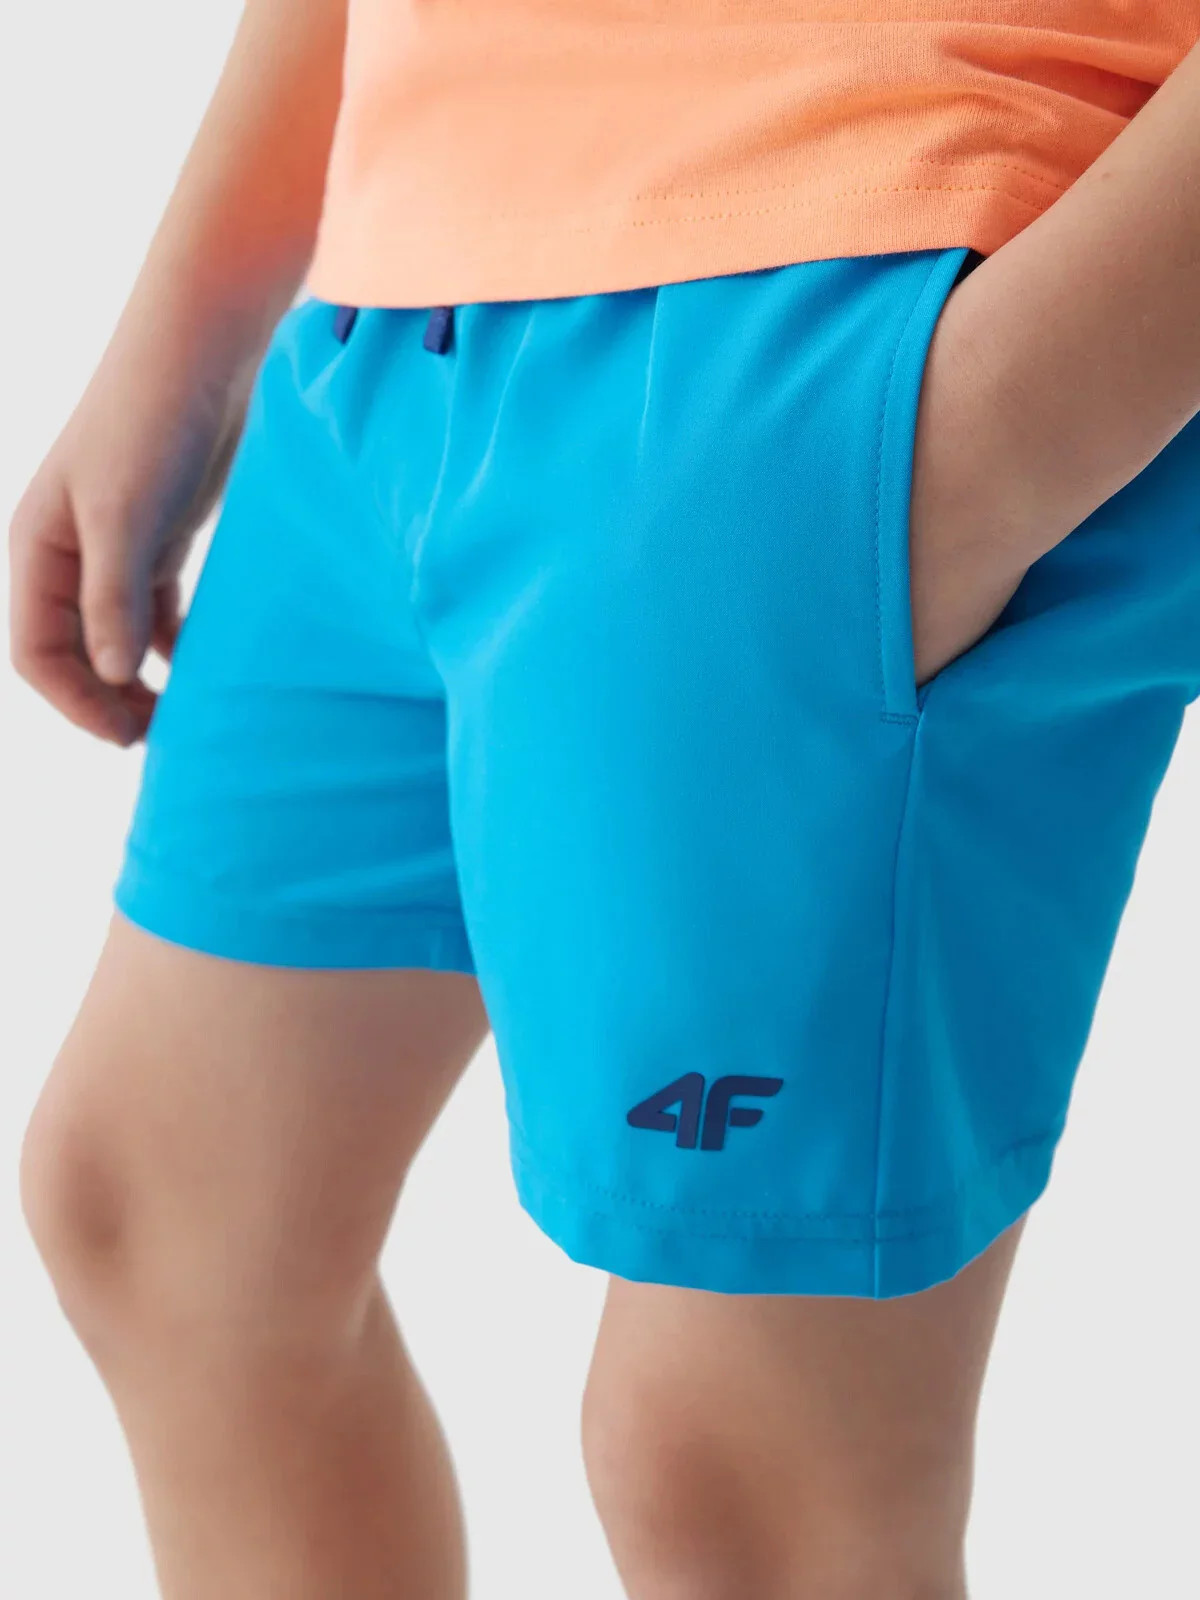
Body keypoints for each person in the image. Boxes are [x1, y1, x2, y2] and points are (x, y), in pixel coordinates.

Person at [10, 2, 1200, 1594]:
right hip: (396, 294)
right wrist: (190, 316)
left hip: (832, 272)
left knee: (740, 1473)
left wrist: (991, 433)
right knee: (165, 1214)